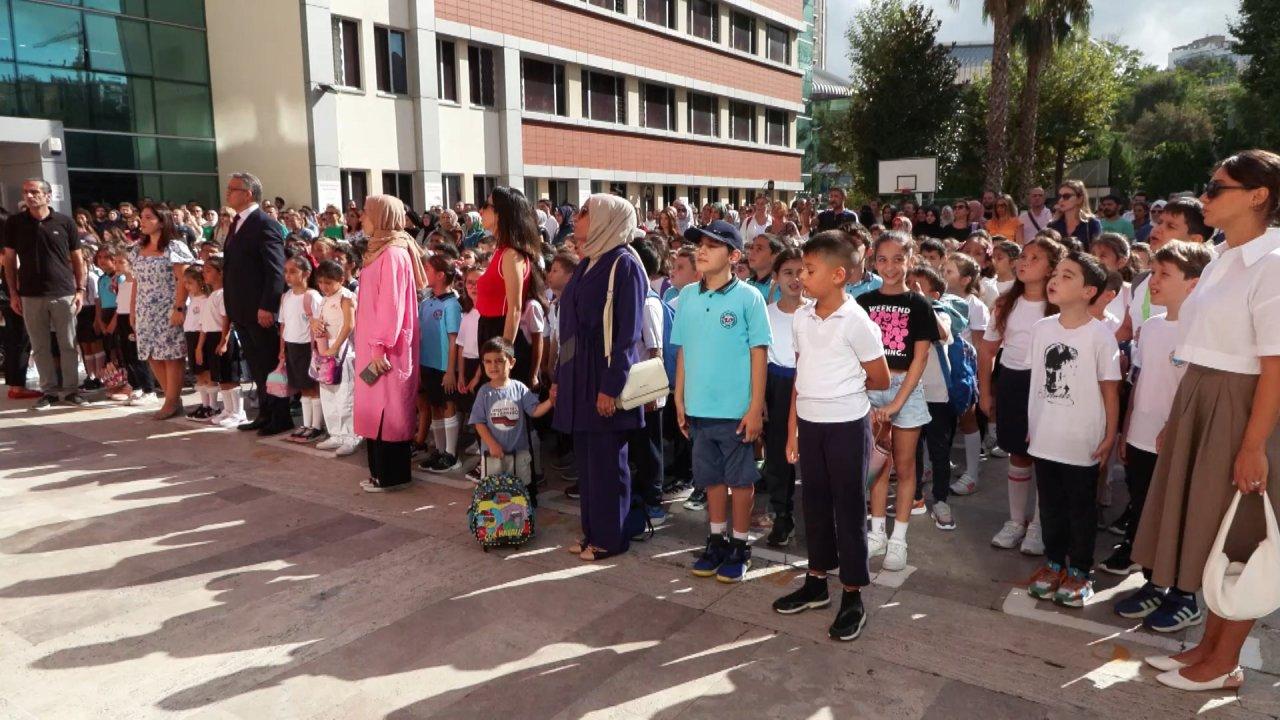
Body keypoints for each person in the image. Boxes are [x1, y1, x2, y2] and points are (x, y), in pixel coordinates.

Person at [1132, 151, 1280, 692]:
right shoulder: (1220, 257)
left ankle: (1225, 662)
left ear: (1258, 195)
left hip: (1242, 405)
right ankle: (1209, 648)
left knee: (1239, 539)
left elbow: (1275, 364)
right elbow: (1201, 346)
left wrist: (1254, 444)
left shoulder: (1274, 262)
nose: (1206, 196)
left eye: (1217, 187)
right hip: (1203, 396)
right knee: (1212, 532)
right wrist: (1181, 414)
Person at [770, 231, 890, 641]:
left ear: (838, 275)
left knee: (849, 510)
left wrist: (844, 391)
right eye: (801, 269)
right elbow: (800, 378)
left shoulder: (856, 321)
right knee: (814, 505)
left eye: (809, 269)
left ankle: (853, 595)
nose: (802, 276)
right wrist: (792, 432)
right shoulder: (802, 317)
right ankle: (817, 581)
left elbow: (880, 376)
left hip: (846, 427)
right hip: (810, 425)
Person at [1107, 241, 1212, 630]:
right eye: (1153, 272)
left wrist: (1175, 429)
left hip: (1177, 443)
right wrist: (1128, 427)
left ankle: (1185, 594)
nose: (1154, 280)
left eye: (1165, 274)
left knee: (1178, 515)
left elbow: (1194, 391)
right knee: (1146, 509)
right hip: (1140, 437)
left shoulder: (1201, 330)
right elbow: (1140, 381)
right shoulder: (1150, 329)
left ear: (1193, 283)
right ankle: (1153, 580)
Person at [1023, 252, 1121, 608]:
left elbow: (1110, 389)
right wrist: (1033, 425)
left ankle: (1080, 570)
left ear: (1088, 291)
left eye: (1068, 276)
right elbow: (1036, 383)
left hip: (1082, 441)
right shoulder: (1041, 329)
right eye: (1056, 274)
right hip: (1045, 437)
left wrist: (1110, 435)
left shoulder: (1100, 337)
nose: (1055, 280)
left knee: (1081, 509)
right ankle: (1052, 563)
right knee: (1049, 506)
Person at [553, 193, 647, 561]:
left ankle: (611, 537)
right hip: (578, 374)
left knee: (608, 462)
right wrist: (561, 376)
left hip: (604, 374)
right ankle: (592, 532)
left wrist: (611, 385)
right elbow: (570, 328)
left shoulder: (624, 264)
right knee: (589, 461)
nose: (576, 218)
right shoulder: (590, 261)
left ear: (607, 219)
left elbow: (628, 333)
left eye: (585, 213)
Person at [675, 219, 770, 582]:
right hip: (699, 409)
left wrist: (754, 407)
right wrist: (680, 399)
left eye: (711, 245)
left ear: (733, 255)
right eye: (699, 244)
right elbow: (683, 351)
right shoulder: (686, 296)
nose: (701, 250)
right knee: (711, 479)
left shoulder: (749, 298)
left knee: (741, 481)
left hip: (736, 411)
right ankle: (716, 540)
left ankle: (740, 544)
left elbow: (758, 353)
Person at [858, 232, 941, 571]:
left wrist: (894, 404)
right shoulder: (862, 302)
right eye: (882, 259)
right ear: (873, 261)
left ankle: (899, 539)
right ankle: (876, 533)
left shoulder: (920, 304)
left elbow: (919, 360)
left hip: (906, 388)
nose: (889, 266)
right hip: (868, 389)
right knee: (878, 464)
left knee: (905, 467)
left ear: (909, 261)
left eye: (897, 259)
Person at [980, 237, 1067, 554]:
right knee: (1018, 453)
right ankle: (1017, 521)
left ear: (1052, 269)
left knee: (1043, 456)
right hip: (1014, 381)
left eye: (1034, 258)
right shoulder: (1006, 302)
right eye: (1023, 256)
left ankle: (1039, 526)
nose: (1024, 262)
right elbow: (988, 349)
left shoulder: (1061, 303)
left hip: (1050, 385)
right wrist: (985, 391)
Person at [355, 194, 428, 492]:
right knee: (375, 409)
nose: (362, 218)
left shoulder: (394, 254)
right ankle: (378, 473)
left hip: (387, 348)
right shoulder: (378, 250)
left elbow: (392, 306)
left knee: (389, 410)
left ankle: (392, 476)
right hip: (373, 345)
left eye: (367, 213)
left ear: (382, 216)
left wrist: (379, 346)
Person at [2, 179, 87, 408]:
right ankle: (48, 392)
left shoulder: (65, 222)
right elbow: (9, 260)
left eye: (34, 192)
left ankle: (71, 390)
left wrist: (80, 289)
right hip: (29, 295)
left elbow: (78, 259)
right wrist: (13, 292)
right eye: (26, 192)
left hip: (63, 293)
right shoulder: (15, 223)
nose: (29, 196)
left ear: (47, 196)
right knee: (40, 347)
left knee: (68, 343)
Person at [222, 172, 293, 435]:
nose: (227, 193)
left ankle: (280, 415)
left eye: (233, 189)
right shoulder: (236, 223)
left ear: (248, 193)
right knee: (256, 365)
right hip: (241, 308)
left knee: (268, 363)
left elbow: (275, 270)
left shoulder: (265, 223)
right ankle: (264, 412)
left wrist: (269, 305)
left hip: (259, 309)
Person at [906, 264, 965, 531]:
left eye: (918, 286)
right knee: (912, 451)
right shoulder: (902, 312)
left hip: (938, 396)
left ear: (935, 294)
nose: (911, 289)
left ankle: (940, 499)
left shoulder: (942, 311)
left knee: (940, 452)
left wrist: (921, 302)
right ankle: (915, 496)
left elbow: (942, 334)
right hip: (909, 394)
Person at [130, 204, 195, 420]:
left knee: (171, 355)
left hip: (167, 307)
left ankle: (170, 401)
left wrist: (179, 307)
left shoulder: (174, 246)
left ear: (161, 220)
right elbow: (136, 283)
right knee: (150, 354)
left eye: (149, 217)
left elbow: (183, 279)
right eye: (142, 217)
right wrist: (133, 311)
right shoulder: (138, 248)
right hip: (144, 309)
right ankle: (172, 398)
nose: (143, 221)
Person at [762, 247, 804, 547]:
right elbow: (759, 357)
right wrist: (760, 397)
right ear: (776, 277)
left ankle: (817, 516)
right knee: (778, 454)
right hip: (776, 384)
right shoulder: (766, 313)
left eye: (802, 271)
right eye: (788, 272)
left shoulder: (816, 311)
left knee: (811, 453)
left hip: (811, 384)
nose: (795, 278)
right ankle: (782, 515)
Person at [471, 337, 555, 485]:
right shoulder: (484, 392)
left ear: (511, 363)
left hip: (519, 453)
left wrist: (550, 402)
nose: (493, 366)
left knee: (520, 488)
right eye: (488, 361)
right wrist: (492, 444)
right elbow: (479, 423)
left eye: (499, 360)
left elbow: (535, 410)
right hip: (493, 455)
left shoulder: (519, 388)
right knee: (494, 490)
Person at [942, 252, 990, 496]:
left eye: (949, 271)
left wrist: (981, 380)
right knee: (937, 419)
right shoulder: (940, 298)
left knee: (967, 420)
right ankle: (933, 466)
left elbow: (981, 346)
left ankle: (972, 472)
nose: (943, 275)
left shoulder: (976, 306)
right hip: (941, 368)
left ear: (965, 279)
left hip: (963, 371)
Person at [475, 187, 537, 352]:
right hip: (489, 331)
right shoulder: (500, 250)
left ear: (500, 213)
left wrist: (503, 353)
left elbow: (514, 310)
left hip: (501, 333)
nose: (480, 211)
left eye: (486, 205)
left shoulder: (511, 254)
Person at [416, 255, 464, 472]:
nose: (424, 273)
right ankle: (440, 450)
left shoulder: (452, 304)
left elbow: (454, 339)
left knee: (447, 406)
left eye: (428, 269)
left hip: (444, 366)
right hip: (427, 363)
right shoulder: (426, 303)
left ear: (441, 275)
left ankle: (451, 454)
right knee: (435, 406)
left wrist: (450, 371)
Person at [278, 256, 324, 442]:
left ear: (306, 273)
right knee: (301, 388)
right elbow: (283, 324)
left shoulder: (312, 296)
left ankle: (317, 426)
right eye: (286, 271)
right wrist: (282, 348)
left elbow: (320, 324)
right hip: (292, 346)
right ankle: (306, 423)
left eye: (292, 271)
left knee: (312, 387)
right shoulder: (286, 297)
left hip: (308, 347)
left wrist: (319, 349)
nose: (287, 276)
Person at [198, 256, 246, 427]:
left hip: (222, 336)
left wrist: (224, 341)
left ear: (221, 273)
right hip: (212, 337)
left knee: (230, 376)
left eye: (209, 270)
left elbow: (227, 319)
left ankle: (239, 412)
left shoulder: (224, 294)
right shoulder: (212, 294)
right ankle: (228, 409)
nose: (204, 274)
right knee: (221, 377)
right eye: (204, 270)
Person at [181, 266, 216, 419]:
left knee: (207, 373)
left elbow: (203, 325)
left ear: (200, 282)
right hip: (190, 337)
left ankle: (213, 406)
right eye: (185, 283)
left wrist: (199, 347)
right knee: (199, 374)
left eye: (190, 283)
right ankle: (205, 405)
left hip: (200, 339)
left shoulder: (205, 300)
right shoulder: (193, 300)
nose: (186, 287)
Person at [1048, 180, 1103, 250]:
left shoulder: (1092, 224)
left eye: (1066, 196)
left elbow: (1097, 252)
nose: (1061, 200)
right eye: (1059, 196)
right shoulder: (1053, 224)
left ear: (1080, 199)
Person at [744, 233, 783, 303]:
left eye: (759, 249)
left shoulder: (780, 289)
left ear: (774, 256)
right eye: (752, 248)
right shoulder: (748, 282)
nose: (752, 252)